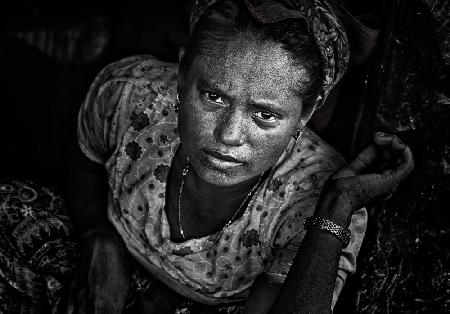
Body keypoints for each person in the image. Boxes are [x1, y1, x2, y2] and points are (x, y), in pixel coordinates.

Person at [0, 0, 413, 313]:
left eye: (265, 115)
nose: (228, 136)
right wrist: (97, 233)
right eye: (213, 96)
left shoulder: (312, 197)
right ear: (181, 74)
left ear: (305, 113)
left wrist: (337, 206)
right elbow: (81, 160)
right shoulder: (131, 94)